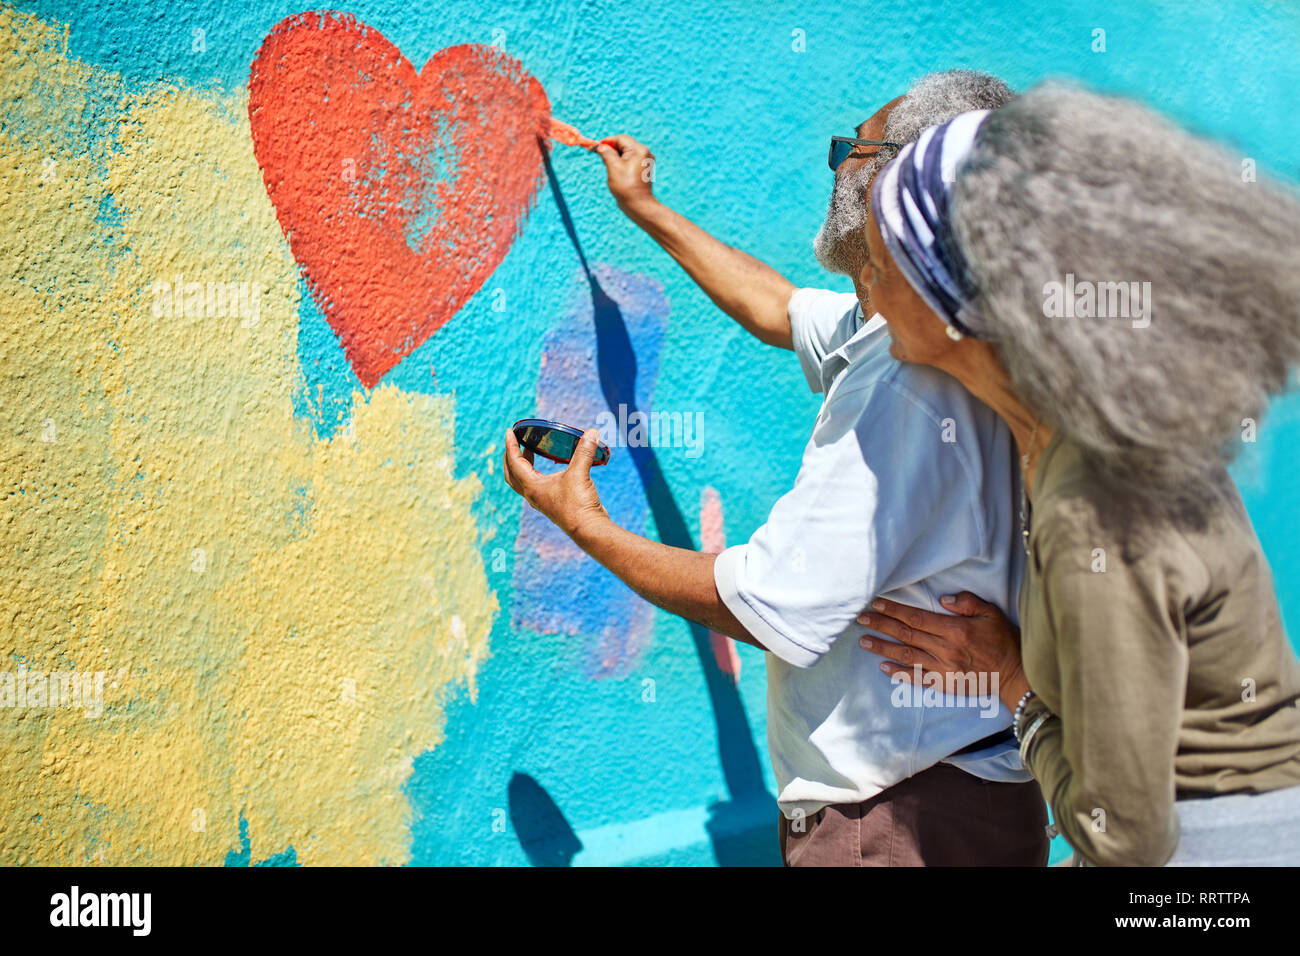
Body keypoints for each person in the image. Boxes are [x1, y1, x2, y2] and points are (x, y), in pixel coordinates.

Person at [503, 72, 1052, 866]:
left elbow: (766, 606)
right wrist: (646, 211)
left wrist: (582, 523)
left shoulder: (907, 382)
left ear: (902, 185)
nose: (838, 169)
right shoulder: (935, 331)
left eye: (851, 151)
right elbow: (782, 309)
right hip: (959, 795)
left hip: (898, 821)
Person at [853, 83, 1300, 865]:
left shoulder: (1092, 507)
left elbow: (1121, 838)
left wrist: (1011, 683)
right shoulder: (1071, 433)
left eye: (884, 261)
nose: (865, 284)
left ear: (958, 301)